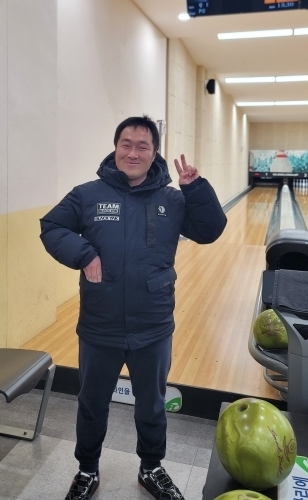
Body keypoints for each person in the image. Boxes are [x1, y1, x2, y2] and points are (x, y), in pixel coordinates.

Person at [40, 115, 227, 500]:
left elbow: (210, 230)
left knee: (152, 405)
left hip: (153, 324)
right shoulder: (87, 195)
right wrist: (84, 254)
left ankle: (151, 468)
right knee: (92, 404)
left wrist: (196, 189)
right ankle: (87, 470)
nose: (133, 152)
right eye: (126, 144)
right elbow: (52, 227)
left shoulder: (173, 200)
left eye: (143, 146)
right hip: (100, 325)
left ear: (155, 153)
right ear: (115, 148)